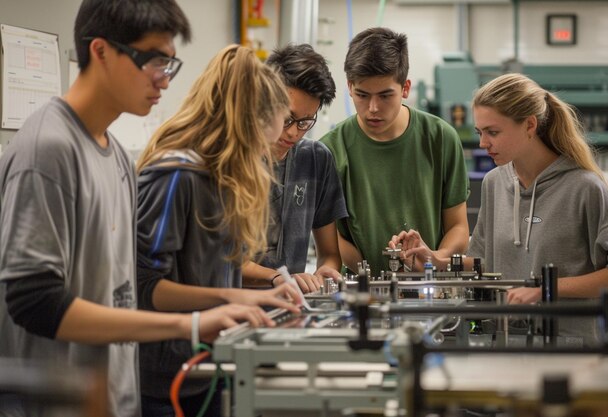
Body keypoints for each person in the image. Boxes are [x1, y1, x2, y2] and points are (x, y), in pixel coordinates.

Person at [0, 3, 296, 417]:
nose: (164, 78)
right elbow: (35, 301)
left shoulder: (117, 157)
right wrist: (192, 323)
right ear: (100, 51)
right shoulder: (47, 150)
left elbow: (122, 294)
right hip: (56, 403)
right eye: (154, 60)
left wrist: (227, 302)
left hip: (115, 399)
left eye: (169, 62)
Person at [391, 73, 608, 347]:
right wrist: (436, 262)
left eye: (493, 132)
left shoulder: (585, 188)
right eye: (480, 133)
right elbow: (486, 261)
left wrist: (544, 290)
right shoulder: (494, 183)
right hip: (505, 340)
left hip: (573, 348)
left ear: (529, 125)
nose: (482, 143)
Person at [134, 44, 295, 416]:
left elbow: (207, 265)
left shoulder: (221, 178)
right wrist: (234, 298)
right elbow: (144, 287)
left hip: (209, 366)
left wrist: (260, 292)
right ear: (244, 128)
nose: (262, 159)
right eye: (262, 146)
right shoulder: (176, 175)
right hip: (165, 379)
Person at [320, 27, 470, 275]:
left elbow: (458, 227)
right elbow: (333, 240)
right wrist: (373, 277)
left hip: (431, 288)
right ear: (349, 87)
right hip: (363, 290)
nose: (373, 108)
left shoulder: (440, 138)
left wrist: (432, 260)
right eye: (362, 95)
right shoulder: (331, 150)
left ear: (406, 88)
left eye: (385, 95)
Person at [241, 43, 348, 293]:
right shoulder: (233, 160)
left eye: (305, 122)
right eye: (287, 118)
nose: (292, 132)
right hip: (230, 310)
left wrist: (325, 271)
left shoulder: (316, 159)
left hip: (288, 310)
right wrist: (277, 278)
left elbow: (330, 253)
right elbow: (220, 261)